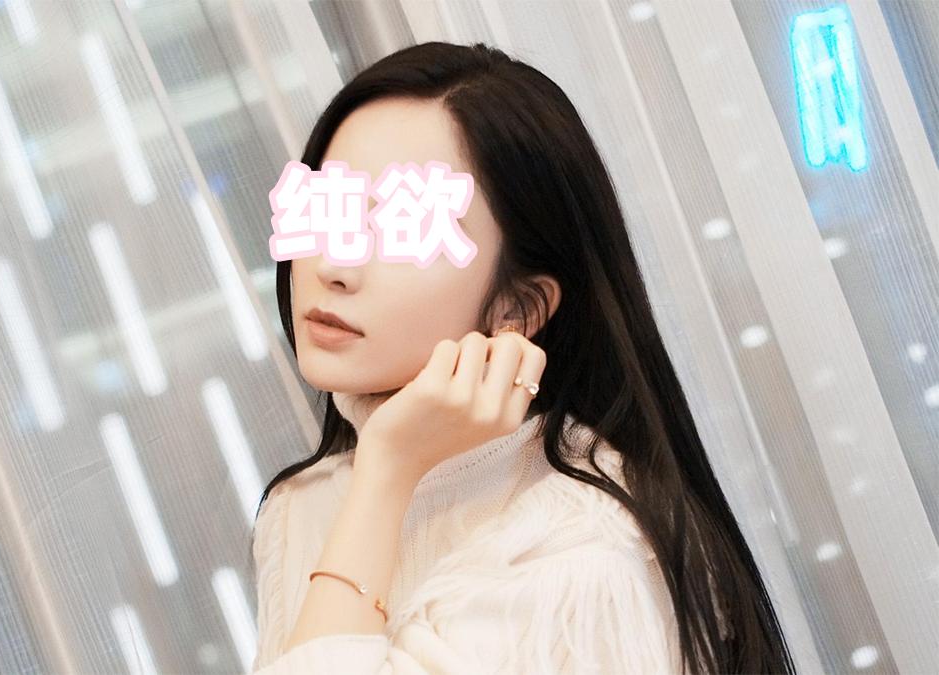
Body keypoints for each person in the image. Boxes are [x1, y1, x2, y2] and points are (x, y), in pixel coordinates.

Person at [249, 41, 796, 674]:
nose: (334, 265)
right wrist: (381, 475)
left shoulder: (584, 551)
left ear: (519, 308)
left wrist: (386, 474)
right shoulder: (301, 506)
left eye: (404, 230)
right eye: (329, 211)